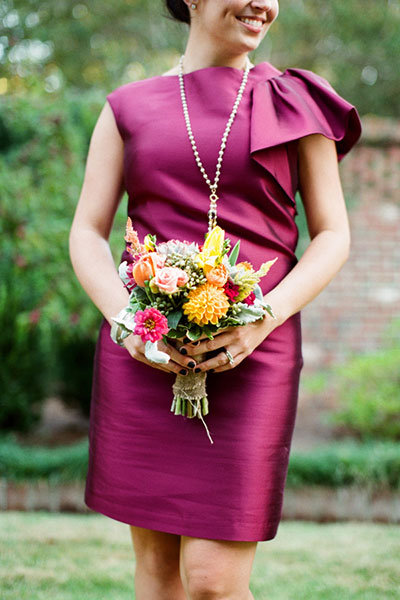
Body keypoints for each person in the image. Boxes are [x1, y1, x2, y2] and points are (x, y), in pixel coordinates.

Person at [69, 0, 362, 598]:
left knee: (211, 582)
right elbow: (86, 232)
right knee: (157, 575)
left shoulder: (297, 100)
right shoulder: (127, 106)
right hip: (144, 356)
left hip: (254, 352)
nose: (264, 4)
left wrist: (261, 321)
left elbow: (333, 234)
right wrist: (129, 326)